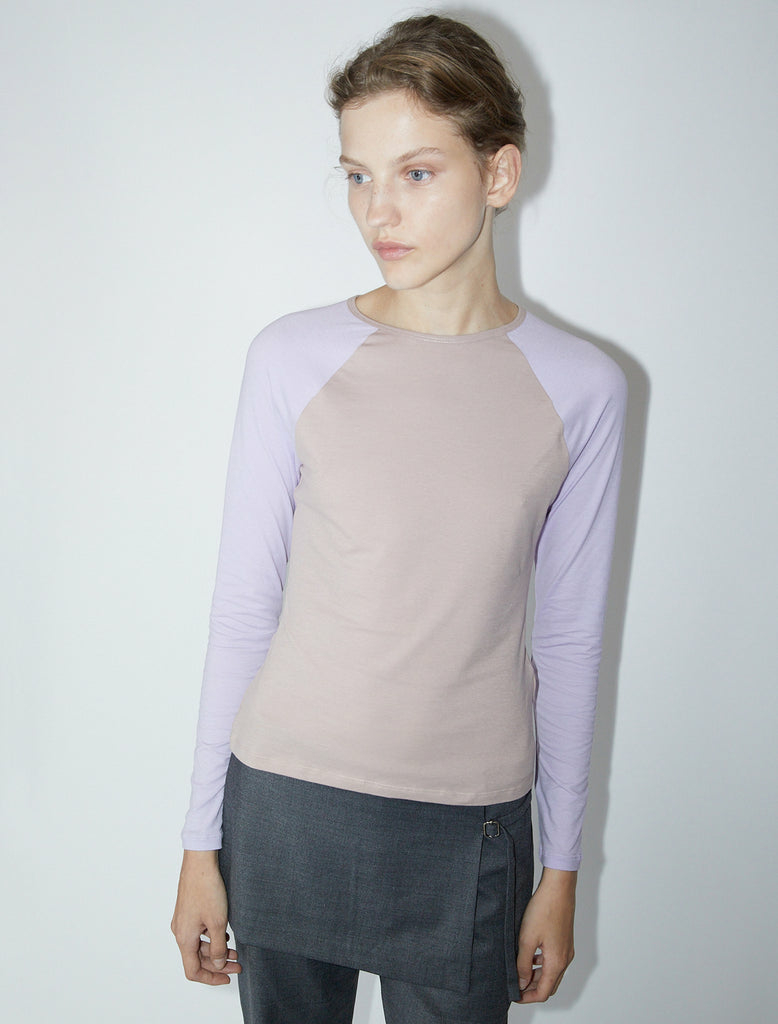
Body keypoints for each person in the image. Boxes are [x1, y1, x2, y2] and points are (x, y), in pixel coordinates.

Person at [171, 13, 627, 1023]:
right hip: (285, 804)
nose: (379, 210)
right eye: (357, 176)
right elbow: (245, 608)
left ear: (498, 173)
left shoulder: (581, 386)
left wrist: (561, 866)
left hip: (470, 828)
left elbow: (568, 639)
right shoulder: (291, 357)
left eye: (416, 173)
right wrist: (201, 842)